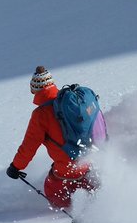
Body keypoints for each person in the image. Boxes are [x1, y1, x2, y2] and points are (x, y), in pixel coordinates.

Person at [6, 66, 101, 210]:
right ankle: (97, 205)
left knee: (54, 194)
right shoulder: (74, 104)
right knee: (92, 189)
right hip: (91, 161)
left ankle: (74, 213)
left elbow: (29, 146)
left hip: (66, 168)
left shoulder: (41, 115)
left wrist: (15, 167)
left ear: (34, 90)